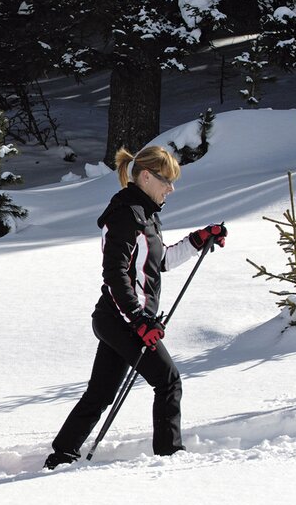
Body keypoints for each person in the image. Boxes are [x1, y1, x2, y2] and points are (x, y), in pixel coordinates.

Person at [43, 146, 227, 470]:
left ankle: (62, 454)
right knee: (168, 380)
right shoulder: (125, 215)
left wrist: (198, 239)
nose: (171, 188)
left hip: (124, 319)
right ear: (145, 176)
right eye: (166, 180)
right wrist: (139, 318)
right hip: (121, 318)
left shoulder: (147, 214)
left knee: (100, 393)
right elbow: (115, 274)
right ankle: (169, 456)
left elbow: (161, 261)